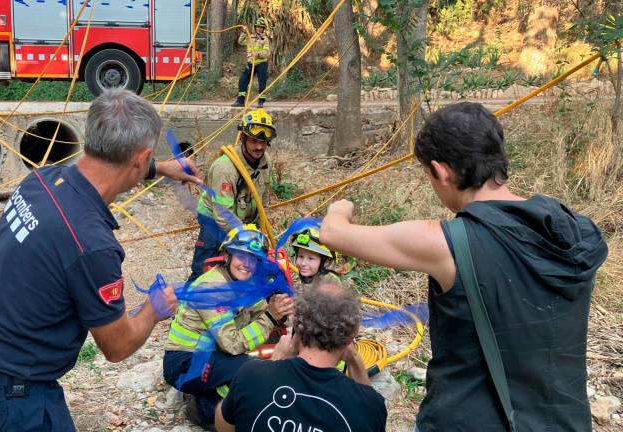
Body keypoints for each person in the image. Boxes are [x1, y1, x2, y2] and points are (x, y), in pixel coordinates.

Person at [320, 102, 608, 431]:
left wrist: (340, 207)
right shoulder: (574, 232)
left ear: (442, 172)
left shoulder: (449, 244)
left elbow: (333, 233)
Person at [0, 89, 201, 431]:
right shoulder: (92, 245)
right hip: (10, 403)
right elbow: (117, 345)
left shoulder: (43, 180)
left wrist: (162, 168)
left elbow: (109, 168)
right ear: (140, 157)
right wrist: (154, 309)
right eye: (146, 161)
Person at [164, 224, 293, 431]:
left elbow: (262, 312)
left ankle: (207, 398)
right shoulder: (212, 288)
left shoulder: (244, 285)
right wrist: (271, 315)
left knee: (262, 362)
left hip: (210, 356)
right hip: (183, 362)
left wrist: (281, 309)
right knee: (251, 371)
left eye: (253, 259)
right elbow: (232, 344)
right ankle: (205, 411)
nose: (247, 264)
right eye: (241, 256)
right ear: (227, 256)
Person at [215, 281, 387, 432]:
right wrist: (354, 361)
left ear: (296, 326)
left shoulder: (251, 375)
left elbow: (224, 425)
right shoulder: (371, 407)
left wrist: (275, 361)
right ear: (351, 336)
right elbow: (367, 406)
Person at [188, 108, 275, 282]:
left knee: (245, 268)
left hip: (244, 220)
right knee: (207, 267)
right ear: (242, 138)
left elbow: (262, 201)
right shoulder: (225, 168)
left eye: (263, 142)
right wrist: (246, 237)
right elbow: (222, 215)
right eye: (254, 141)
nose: (259, 147)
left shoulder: (266, 162)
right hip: (214, 219)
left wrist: (260, 230)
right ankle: (188, 303)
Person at [232, 16, 271, 108]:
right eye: (257, 26)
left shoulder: (265, 40)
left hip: (262, 63)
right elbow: (240, 42)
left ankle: (261, 101)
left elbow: (267, 53)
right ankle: (240, 101)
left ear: (263, 29)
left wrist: (257, 54)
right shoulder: (250, 37)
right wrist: (244, 32)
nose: (259, 28)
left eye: (261, 27)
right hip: (251, 63)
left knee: (262, 82)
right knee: (243, 80)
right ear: (255, 27)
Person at [288, 226, 340, 294]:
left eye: (311, 258)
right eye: (301, 256)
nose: (303, 263)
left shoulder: (330, 284)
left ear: (326, 262)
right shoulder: (308, 277)